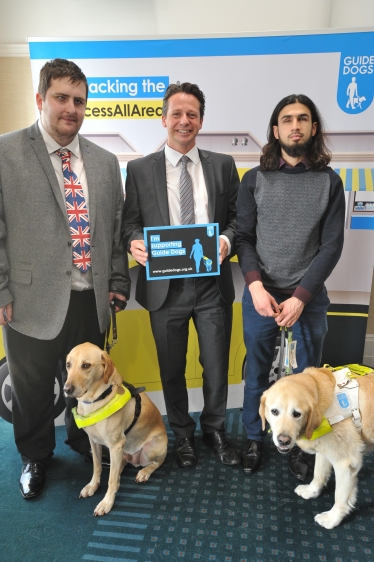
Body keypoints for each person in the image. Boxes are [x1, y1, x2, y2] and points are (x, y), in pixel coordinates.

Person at [0, 59, 130, 499]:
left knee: (88, 383)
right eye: (61, 98)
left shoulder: (106, 162)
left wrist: (117, 281)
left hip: (89, 299)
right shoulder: (6, 152)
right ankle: (35, 457)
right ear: (40, 99)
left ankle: (83, 440)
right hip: (28, 299)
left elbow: (113, 232)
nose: (71, 108)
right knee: (33, 387)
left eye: (79, 100)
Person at [123, 82, 240, 468]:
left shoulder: (223, 165)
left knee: (216, 365)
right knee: (171, 369)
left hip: (211, 287)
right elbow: (130, 225)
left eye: (192, 114)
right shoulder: (140, 170)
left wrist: (226, 240)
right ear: (163, 118)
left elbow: (239, 221)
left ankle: (215, 428)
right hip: (164, 289)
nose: (184, 121)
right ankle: (183, 435)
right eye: (176, 113)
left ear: (201, 121)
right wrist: (134, 244)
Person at [236, 94, 345, 478]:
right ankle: (253, 436)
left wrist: (301, 297)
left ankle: (306, 445)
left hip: (308, 300)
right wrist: (255, 287)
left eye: (302, 119)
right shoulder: (253, 180)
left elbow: (332, 246)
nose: (294, 125)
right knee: (257, 372)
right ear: (275, 129)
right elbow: (244, 239)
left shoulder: (330, 183)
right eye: (286, 119)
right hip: (261, 296)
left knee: (309, 379)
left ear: (313, 128)